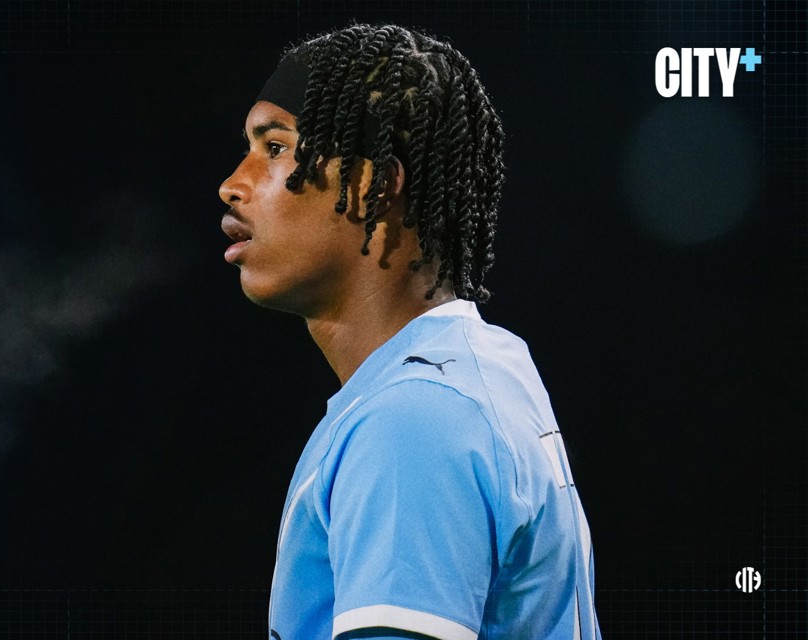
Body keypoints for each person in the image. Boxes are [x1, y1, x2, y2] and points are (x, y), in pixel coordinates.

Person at [218, 24, 601, 640]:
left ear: (372, 185)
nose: (233, 183)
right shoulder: (480, 364)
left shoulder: (412, 419)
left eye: (276, 148)